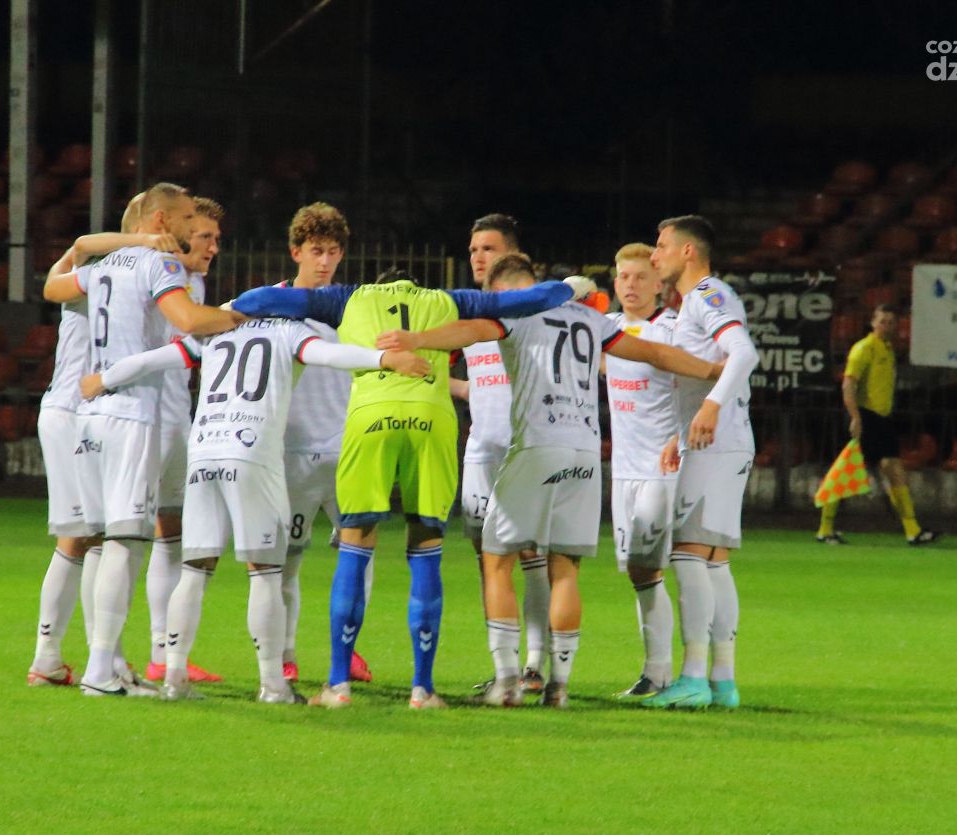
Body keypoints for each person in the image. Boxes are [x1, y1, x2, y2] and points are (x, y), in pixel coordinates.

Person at [377, 253, 722, 708]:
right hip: (584, 453)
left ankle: (506, 681)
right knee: (565, 569)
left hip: (537, 447)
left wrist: (416, 339)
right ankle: (559, 686)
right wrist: (715, 372)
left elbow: (470, 330)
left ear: (506, 292)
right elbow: (655, 354)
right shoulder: (589, 318)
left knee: (496, 559)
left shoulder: (517, 313)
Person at [229, 271, 575, 708]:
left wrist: (222, 311)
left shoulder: (346, 298)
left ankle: (338, 686)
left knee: (355, 543)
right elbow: (536, 298)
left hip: (370, 416)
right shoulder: (449, 300)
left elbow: (258, 299)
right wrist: (572, 287)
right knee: (426, 547)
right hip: (431, 417)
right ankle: (422, 689)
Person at [78, 307, 429, 703]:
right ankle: (273, 684)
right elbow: (329, 355)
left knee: (194, 570)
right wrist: (384, 359)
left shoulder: (217, 329)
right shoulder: (288, 329)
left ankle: (174, 677)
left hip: (203, 452)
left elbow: (150, 360)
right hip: (251, 451)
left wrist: (102, 379)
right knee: (266, 572)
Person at [42, 182, 243, 697]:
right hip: (129, 412)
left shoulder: (104, 266)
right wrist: (245, 317)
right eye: (187, 219)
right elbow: (187, 321)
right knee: (124, 542)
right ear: (160, 221)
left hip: (93, 414)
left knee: (98, 541)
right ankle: (100, 670)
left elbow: (53, 288)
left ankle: (101, 661)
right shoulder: (160, 264)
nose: (193, 229)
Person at [26, 222, 180, 686]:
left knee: (89, 539)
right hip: (78, 408)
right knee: (93, 539)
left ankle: (80, 659)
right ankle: (83, 661)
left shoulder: (98, 274)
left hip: (72, 409)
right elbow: (78, 249)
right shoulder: (120, 272)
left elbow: (65, 266)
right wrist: (143, 243)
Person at [645, 215, 760, 710]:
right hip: (722, 441)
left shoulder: (707, 295)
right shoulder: (699, 300)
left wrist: (710, 407)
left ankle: (692, 677)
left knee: (688, 555)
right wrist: (681, 431)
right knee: (713, 561)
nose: (655, 255)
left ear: (688, 251)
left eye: (661, 245)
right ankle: (722, 680)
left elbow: (743, 353)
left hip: (718, 441)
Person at [278, 203, 375, 685]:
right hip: (290, 453)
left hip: (346, 452)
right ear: (296, 251)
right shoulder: (272, 303)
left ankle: (348, 648)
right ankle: (285, 653)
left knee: (360, 554)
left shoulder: (353, 309)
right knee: (286, 562)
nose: (325, 261)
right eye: (316, 251)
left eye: (333, 252)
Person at [460, 214, 552, 692]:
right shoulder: (469, 312)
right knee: (488, 559)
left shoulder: (536, 313)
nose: (479, 257)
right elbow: (478, 383)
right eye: (474, 249)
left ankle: (534, 664)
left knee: (532, 554)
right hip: (481, 452)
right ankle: (504, 667)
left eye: (489, 249)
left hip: (524, 450)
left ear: (513, 256)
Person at [143, 196, 226, 685]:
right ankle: (103, 657)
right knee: (118, 537)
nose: (213, 247)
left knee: (170, 532)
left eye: (216, 239)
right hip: (143, 417)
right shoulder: (159, 272)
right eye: (204, 237)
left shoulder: (193, 281)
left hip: (176, 415)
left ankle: (162, 652)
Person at [604, 242, 679, 700]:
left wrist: (681, 436)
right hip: (623, 472)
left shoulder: (671, 330)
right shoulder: (607, 328)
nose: (630, 285)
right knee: (640, 573)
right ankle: (656, 673)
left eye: (640, 277)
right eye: (623, 277)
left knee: (649, 565)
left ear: (657, 284)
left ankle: (665, 671)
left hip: (661, 469)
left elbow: (697, 383)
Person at [816, 303, 940, 547]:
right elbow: (848, 385)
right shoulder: (864, 349)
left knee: (894, 469)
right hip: (864, 417)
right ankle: (825, 529)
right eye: (882, 321)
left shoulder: (888, 349)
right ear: (872, 323)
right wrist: (855, 417)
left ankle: (913, 531)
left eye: (891, 322)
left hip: (881, 419)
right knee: (844, 472)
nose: (887, 326)